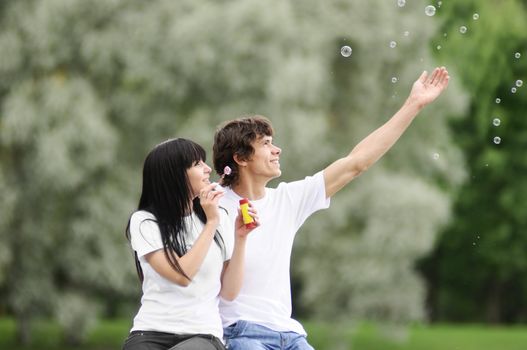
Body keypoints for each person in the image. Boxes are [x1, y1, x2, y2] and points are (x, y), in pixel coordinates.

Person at [212, 67, 450, 349]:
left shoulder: (288, 200)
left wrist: (414, 104)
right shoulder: (213, 204)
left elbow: (355, 163)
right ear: (240, 158)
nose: (277, 150)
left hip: (289, 335)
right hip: (241, 333)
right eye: (266, 144)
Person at [122, 138, 258, 350]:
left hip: (203, 335)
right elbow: (181, 275)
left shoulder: (218, 217)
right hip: (149, 332)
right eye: (197, 164)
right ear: (174, 175)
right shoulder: (145, 221)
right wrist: (211, 222)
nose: (208, 169)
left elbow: (229, 292)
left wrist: (241, 237)